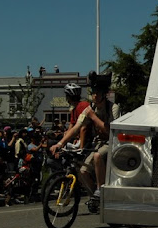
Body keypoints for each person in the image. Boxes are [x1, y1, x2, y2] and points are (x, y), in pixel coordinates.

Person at [50, 72, 120, 201]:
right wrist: (60, 143)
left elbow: (110, 130)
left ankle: (100, 188)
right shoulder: (89, 109)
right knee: (82, 172)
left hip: (111, 142)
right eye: (93, 92)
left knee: (98, 155)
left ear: (104, 93)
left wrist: (93, 117)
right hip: (97, 143)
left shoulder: (113, 108)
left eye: (98, 92)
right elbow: (77, 127)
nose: (95, 95)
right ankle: (95, 197)